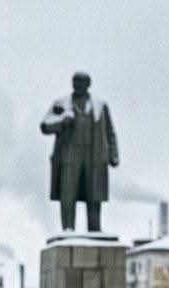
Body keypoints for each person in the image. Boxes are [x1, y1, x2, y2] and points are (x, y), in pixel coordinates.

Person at [40, 71, 119, 232]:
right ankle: (68, 229)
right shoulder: (61, 104)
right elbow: (45, 126)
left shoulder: (100, 105)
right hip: (69, 157)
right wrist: (62, 121)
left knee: (94, 196)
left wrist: (113, 154)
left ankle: (95, 230)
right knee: (67, 194)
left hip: (94, 157)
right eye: (75, 82)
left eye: (81, 82)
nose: (77, 85)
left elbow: (110, 131)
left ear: (88, 85)